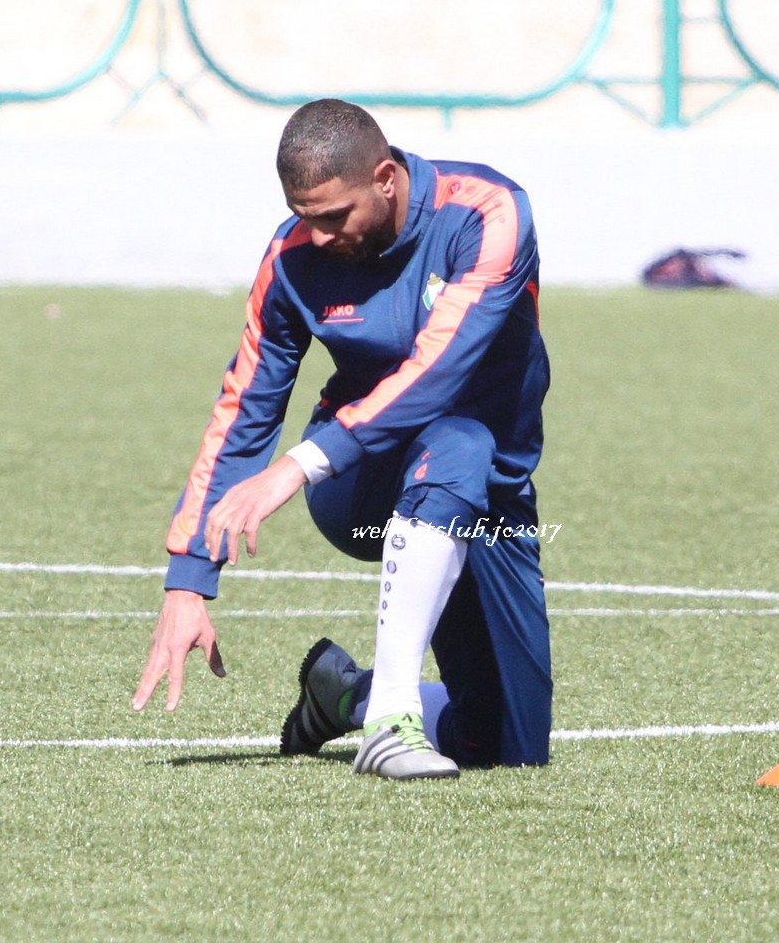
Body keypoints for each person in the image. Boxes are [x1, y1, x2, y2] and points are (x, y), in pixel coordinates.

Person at [131, 98, 553, 780]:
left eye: (333, 216)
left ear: (385, 179)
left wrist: (298, 465)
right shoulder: (291, 257)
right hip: (363, 487)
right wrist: (188, 579)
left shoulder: (489, 214)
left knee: (506, 745)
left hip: (487, 495)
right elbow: (245, 408)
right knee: (459, 443)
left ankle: (345, 693)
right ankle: (390, 724)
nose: (319, 236)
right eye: (304, 216)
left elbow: (437, 372)